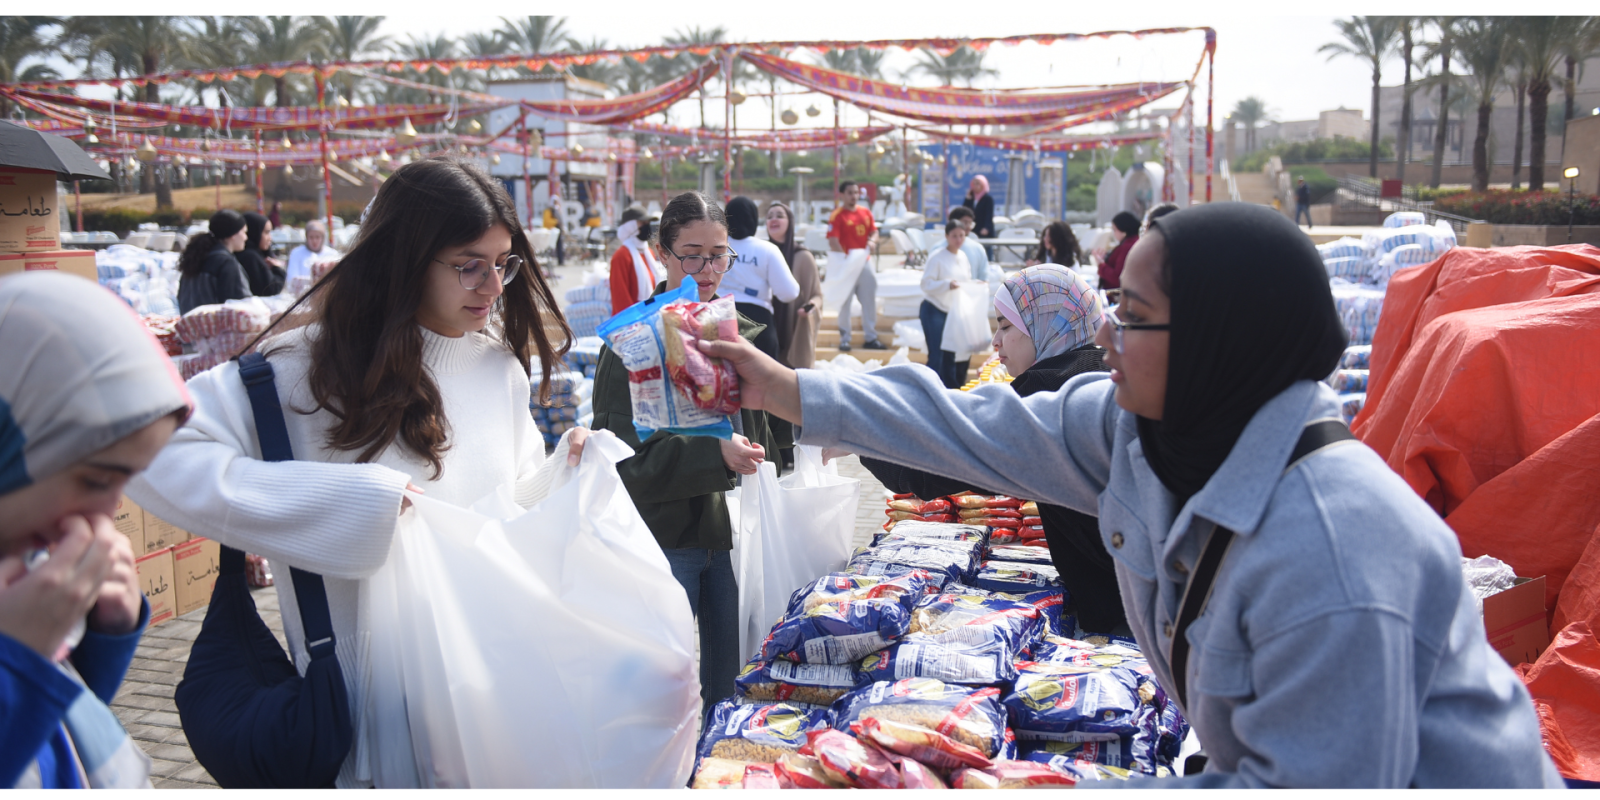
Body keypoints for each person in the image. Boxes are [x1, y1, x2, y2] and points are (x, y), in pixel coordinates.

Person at [698, 202, 1563, 788]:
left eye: (1136, 313)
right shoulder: (1141, 433)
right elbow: (965, 425)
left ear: (1220, 340)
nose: (1108, 330)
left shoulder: (1335, 553)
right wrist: (784, 390)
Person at [126, 157, 588, 788]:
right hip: (358, 726)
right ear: (403, 258)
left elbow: (507, 510)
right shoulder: (293, 371)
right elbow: (152, 452)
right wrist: (342, 502)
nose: (492, 286)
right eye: (468, 265)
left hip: (483, 702)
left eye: (503, 264)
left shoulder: (496, 371)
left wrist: (566, 474)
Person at [850, 264, 1124, 632]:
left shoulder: (1046, 390)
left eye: (1006, 325)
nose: (995, 341)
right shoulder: (1101, 372)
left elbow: (938, 468)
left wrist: (856, 433)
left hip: (1120, 608)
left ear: (1045, 324)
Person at [590, 190, 781, 711]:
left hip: (730, 537)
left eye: (718, 254)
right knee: (659, 693)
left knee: (728, 685)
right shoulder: (631, 342)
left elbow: (760, 424)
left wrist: (808, 435)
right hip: (666, 538)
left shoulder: (732, 331)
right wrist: (714, 458)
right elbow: (620, 463)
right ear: (660, 252)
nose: (708, 268)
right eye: (691, 254)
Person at [1, 272, 191, 788]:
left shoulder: (19, 573)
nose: (108, 512)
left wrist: (104, 635)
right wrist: (16, 658)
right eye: (95, 479)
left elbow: (59, 729)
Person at [719, 197, 800, 359]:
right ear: (754, 219)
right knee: (762, 380)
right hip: (757, 322)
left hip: (716, 316)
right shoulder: (767, 249)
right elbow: (789, 292)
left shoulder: (714, 247)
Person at [827, 180, 885, 352]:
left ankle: (871, 337)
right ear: (842, 195)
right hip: (846, 264)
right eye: (850, 193)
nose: (854, 196)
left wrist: (872, 241)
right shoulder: (837, 215)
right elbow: (833, 240)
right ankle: (845, 338)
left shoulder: (865, 212)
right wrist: (845, 259)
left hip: (864, 262)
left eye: (856, 192)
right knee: (845, 302)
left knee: (869, 300)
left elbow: (874, 231)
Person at [918, 220, 975, 389]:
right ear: (947, 237)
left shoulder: (963, 257)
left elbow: (966, 280)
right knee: (937, 354)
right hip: (934, 308)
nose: (958, 240)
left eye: (961, 236)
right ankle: (928, 389)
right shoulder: (937, 257)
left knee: (950, 353)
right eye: (954, 236)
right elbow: (925, 284)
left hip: (952, 310)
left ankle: (949, 389)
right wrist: (947, 284)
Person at [766, 201, 822, 371]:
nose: (773, 219)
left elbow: (817, 295)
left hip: (792, 326)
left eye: (779, 216)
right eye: (769, 217)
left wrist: (809, 308)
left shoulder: (803, 257)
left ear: (790, 222)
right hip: (766, 328)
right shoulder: (762, 254)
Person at [176, 209, 253, 314]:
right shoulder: (225, 263)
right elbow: (240, 307)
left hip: (190, 326)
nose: (246, 237)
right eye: (244, 232)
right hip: (213, 328)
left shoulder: (197, 257)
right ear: (232, 234)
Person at [608, 207, 664, 315]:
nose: (647, 226)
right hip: (632, 321)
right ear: (630, 226)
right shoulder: (621, 256)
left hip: (650, 315)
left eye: (647, 223)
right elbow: (620, 296)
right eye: (642, 223)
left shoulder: (648, 253)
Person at [234, 211, 285, 297]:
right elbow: (271, 289)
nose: (270, 238)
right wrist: (278, 269)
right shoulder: (250, 257)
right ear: (254, 232)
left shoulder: (258, 254)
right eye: (266, 232)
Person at [284, 219, 340, 289]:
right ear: (306, 237)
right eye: (311, 237)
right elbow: (291, 279)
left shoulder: (332, 254)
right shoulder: (296, 253)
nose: (314, 241)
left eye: (317, 237)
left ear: (322, 238)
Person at [1096, 211, 1140, 291]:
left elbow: (1118, 278)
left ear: (1123, 231)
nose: (1114, 233)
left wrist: (1101, 265)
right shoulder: (1135, 242)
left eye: (1115, 230)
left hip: (1117, 295)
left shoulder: (1127, 247)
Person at [946, 205, 990, 282]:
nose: (968, 227)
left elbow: (984, 278)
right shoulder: (938, 249)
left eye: (970, 223)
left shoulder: (977, 248)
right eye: (965, 222)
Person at [961, 175, 995, 240]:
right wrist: (967, 200)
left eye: (978, 184)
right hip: (972, 229)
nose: (975, 186)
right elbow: (964, 212)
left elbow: (989, 215)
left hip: (983, 231)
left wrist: (986, 228)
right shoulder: (970, 198)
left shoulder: (988, 199)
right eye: (974, 184)